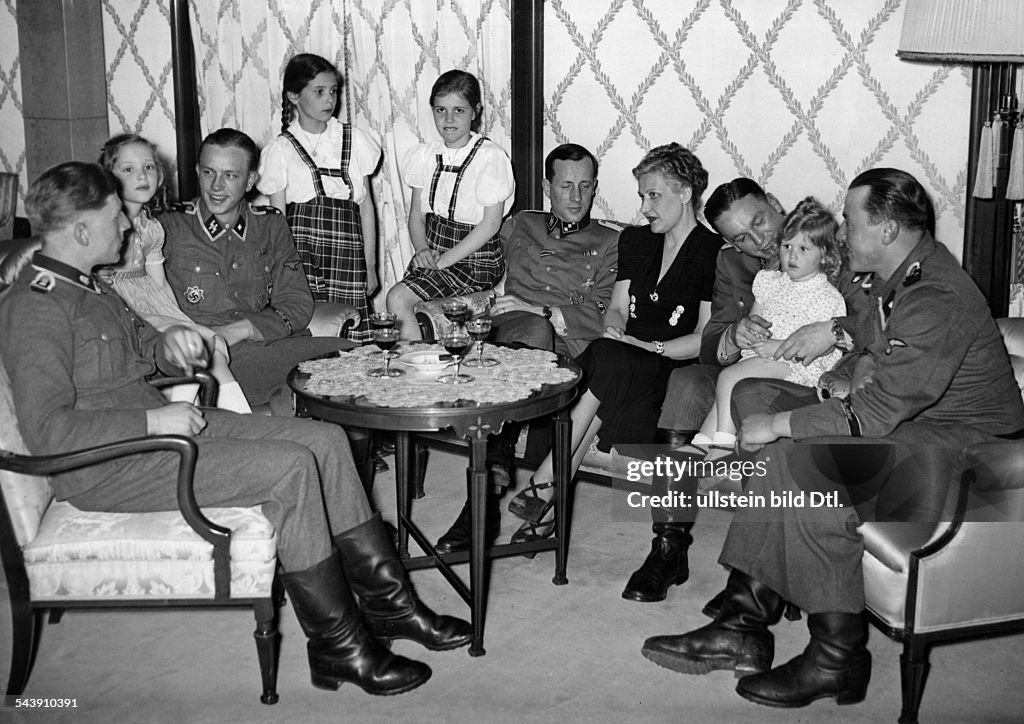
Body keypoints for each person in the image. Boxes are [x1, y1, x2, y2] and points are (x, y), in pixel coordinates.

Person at [0, 161, 473, 696]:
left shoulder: (91, 286)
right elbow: (46, 432)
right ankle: (339, 648)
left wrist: (168, 346)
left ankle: (392, 609)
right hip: (111, 465)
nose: (127, 226)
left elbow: (136, 347)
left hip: (157, 436)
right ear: (81, 230)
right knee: (292, 468)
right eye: (115, 216)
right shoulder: (34, 307)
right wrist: (151, 418)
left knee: (325, 438)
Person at [640, 168, 1024, 710]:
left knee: (808, 473)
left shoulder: (936, 294)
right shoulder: (907, 275)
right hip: (929, 428)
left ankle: (838, 660)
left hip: (980, 457)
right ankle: (741, 627)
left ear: (886, 228)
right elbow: (878, 330)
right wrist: (838, 330)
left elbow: (874, 412)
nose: (841, 232)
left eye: (849, 219)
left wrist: (779, 423)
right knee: (778, 463)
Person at [627, 179, 862, 606]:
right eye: (741, 238)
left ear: (774, 204)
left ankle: (753, 575)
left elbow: (865, 323)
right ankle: (668, 547)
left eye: (760, 222)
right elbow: (712, 337)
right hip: (742, 362)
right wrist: (735, 334)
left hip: (808, 374)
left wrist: (831, 336)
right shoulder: (732, 266)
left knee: (750, 391)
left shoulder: (828, 247)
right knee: (685, 383)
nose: (760, 240)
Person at [504, 142, 720, 546]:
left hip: (667, 362)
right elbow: (617, 308)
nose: (645, 208)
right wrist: (617, 329)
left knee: (607, 360)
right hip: (622, 356)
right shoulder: (637, 241)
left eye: (654, 196)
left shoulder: (710, 253)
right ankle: (546, 495)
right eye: (642, 197)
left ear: (685, 193)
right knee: (608, 355)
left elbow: (703, 340)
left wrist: (645, 345)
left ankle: (545, 489)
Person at [433, 142, 621, 555]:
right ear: (547, 186)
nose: (576, 197)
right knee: (524, 331)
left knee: (535, 326)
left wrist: (542, 309)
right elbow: (477, 257)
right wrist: (435, 261)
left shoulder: (609, 242)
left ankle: (482, 501)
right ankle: (491, 480)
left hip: (565, 347)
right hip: (506, 332)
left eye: (586, 187)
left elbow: (607, 310)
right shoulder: (521, 222)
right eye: (567, 185)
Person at [161, 128, 352, 416]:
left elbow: (298, 303)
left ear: (250, 180)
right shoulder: (170, 226)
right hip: (205, 358)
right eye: (209, 173)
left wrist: (243, 329)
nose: (216, 186)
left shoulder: (269, 226)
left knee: (352, 355)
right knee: (304, 384)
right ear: (197, 171)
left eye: (230, 175)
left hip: (261, 343)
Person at [97, 133, 250, 414]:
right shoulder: (105, 225)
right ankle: (177, 414)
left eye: (149, 167)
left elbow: (159, 283)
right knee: (189, 353)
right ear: (108, 177)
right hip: (123, 308)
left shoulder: (152, 226)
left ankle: (244, 424)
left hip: (152, 303)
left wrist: (177, 317)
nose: (142, 176)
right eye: (128, 169)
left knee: (210, 347)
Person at [686, 197, 846, 461]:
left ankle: (722, 448)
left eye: (804, 249)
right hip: (762, 356)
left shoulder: (827, 297)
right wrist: (748, 331)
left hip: (798, 366)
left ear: (825, 254)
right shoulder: (769, 281)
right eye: (786, 246)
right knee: (723, 396)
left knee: (729, 378)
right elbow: (755, 318)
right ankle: (698, 446)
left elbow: (813, 346)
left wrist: (772, 347)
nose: (791, 255)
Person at [257, 53, 382, 343]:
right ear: (293, 95)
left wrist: (371, 266)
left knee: (350, 334)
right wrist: (280, 276)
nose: (329, 100)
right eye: (319, 92)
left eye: (333, 92)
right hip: (302, 256)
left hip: (348, 256)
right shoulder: (282, 149)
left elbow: (365, 208)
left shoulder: (354, 140)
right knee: (311, 334)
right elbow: (278, 221)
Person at [386, 69, 515, 340]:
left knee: (397, 298)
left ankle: (416, 372)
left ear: (475, 111)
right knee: (401, 298)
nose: (448, 118)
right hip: (434, 249)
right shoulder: (425, 155)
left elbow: (491, 225)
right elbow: (417, 217)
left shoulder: (490, 157)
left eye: (458, 110)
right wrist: (423, 250)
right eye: (440, 110)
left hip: (475, 259)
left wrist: (444, 261)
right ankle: (423, 363)